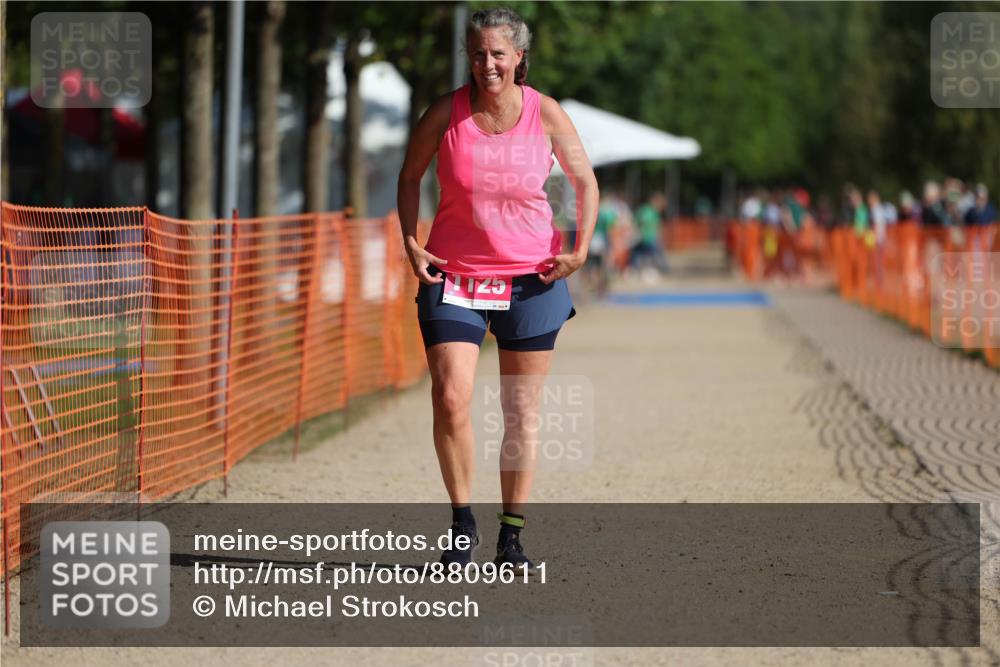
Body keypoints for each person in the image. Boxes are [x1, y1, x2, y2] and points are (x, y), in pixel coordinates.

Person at [396, 7, 599, 572]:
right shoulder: (445, 112)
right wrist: (412, 241)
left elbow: (585, 181)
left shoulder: (546, 113)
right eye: (478, 53)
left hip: (532, 277)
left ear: (519, 57)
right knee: (450, 397)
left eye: (498, 54)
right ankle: (463, 525)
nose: (487, 64)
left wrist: (581, 247)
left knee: (520, 411)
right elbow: (409, 176)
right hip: (454, 274)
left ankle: (512, 536)